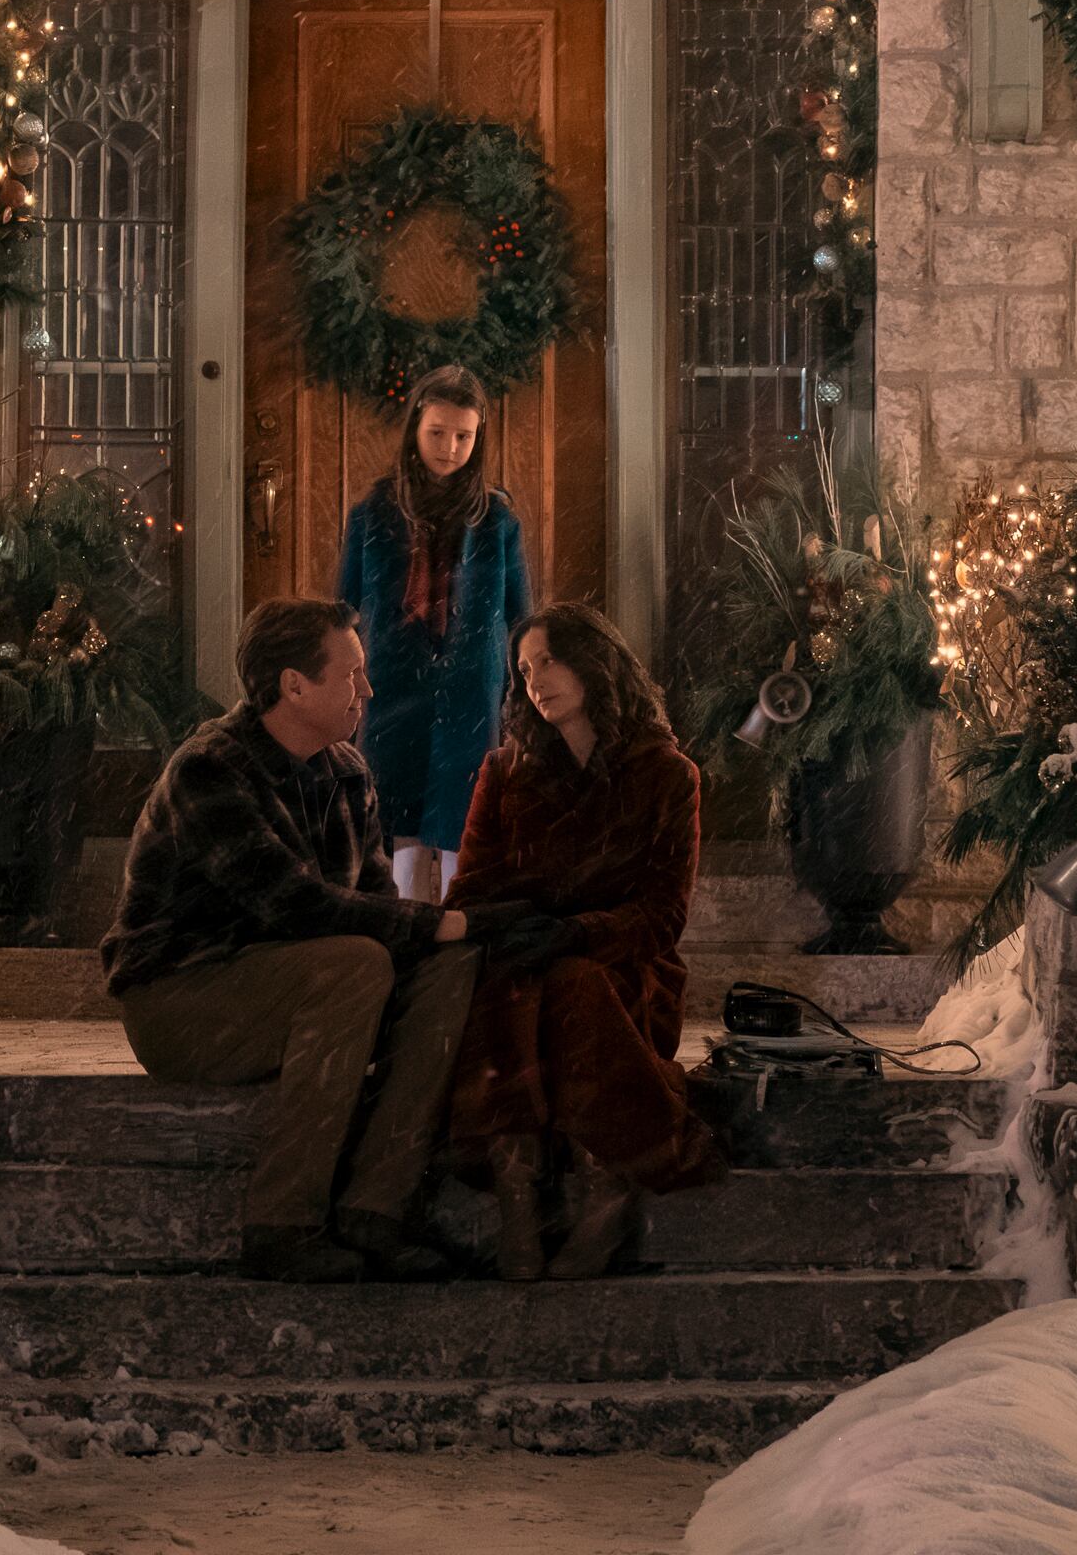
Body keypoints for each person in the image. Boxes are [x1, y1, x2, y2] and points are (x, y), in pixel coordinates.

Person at [103, 596, 514, 1284]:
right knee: (355, 962)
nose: (368, 690)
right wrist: (439, 919)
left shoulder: (346, 773)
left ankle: (377, 1209)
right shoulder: (211, 769)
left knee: (448, 965)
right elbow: (293, 906)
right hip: (183, 1000)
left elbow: (374, 905)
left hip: (293, 986)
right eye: (352, 674)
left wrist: (459, 932)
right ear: (294, 685)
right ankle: (284, 1223)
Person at [446, 603, 725, 1281]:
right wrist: (516, 925)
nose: (536, 680)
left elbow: (663, 914)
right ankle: (518, 1195)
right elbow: (471, 891)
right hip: (522, 962)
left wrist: (578, 932)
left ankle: (606, 1189)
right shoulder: (505, 773)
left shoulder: (666, 775)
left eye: (548, 661)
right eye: (524, 670)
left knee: (571, 982)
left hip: (626, 971)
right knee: (510, 984)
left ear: (593, 664)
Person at [336, 364, 531, 904]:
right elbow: (345, 608)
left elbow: (522, 615)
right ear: (414, 431)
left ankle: (455, 920)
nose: (449, 448)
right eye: (437, 433)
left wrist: (519, 686)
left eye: (464, 436)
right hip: (392, 680)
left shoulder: (497, 520)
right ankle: (403, 919)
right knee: (394, 808)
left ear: (479, 437)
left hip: (470, 684)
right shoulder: (374, 514)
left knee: (461, 810)